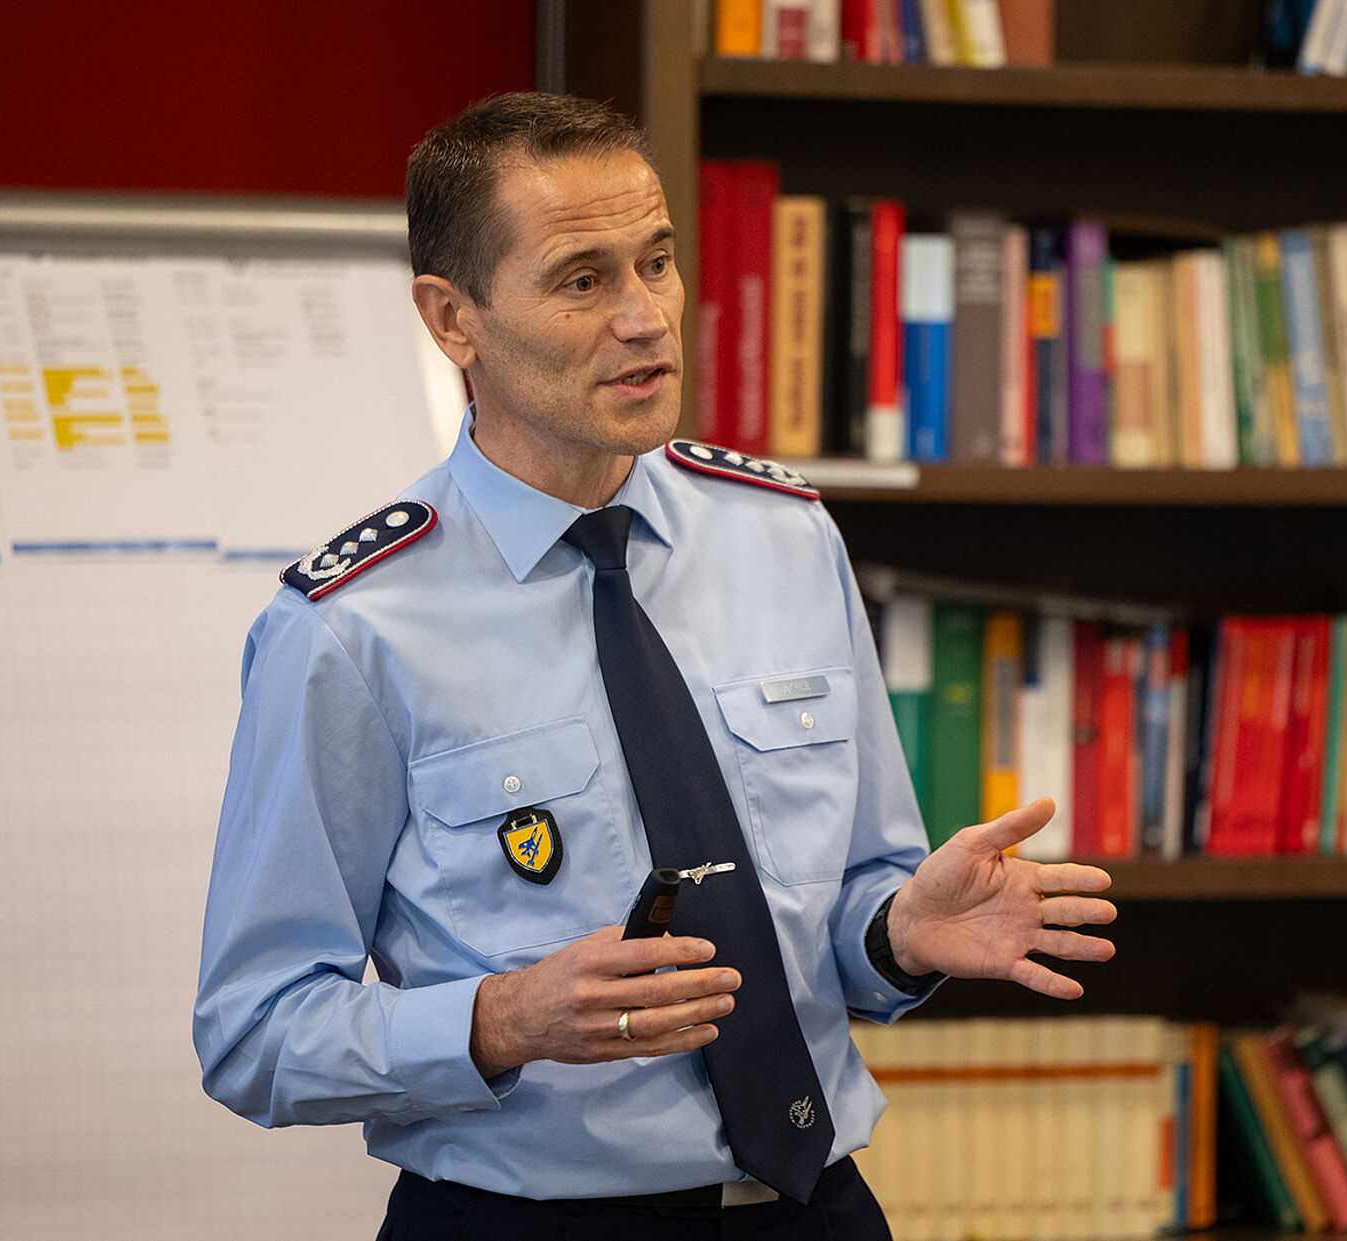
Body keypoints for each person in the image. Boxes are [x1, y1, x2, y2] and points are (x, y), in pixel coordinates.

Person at [193, 91, 1117, 1241]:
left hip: (818, 1207)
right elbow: (253, 1029)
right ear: (451, 318)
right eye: (583, 279)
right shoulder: (350, 627)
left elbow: (855, 892)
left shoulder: (784, 534)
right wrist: (500, 1019)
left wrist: (896, 932)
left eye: (660, 262)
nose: (647, 319)